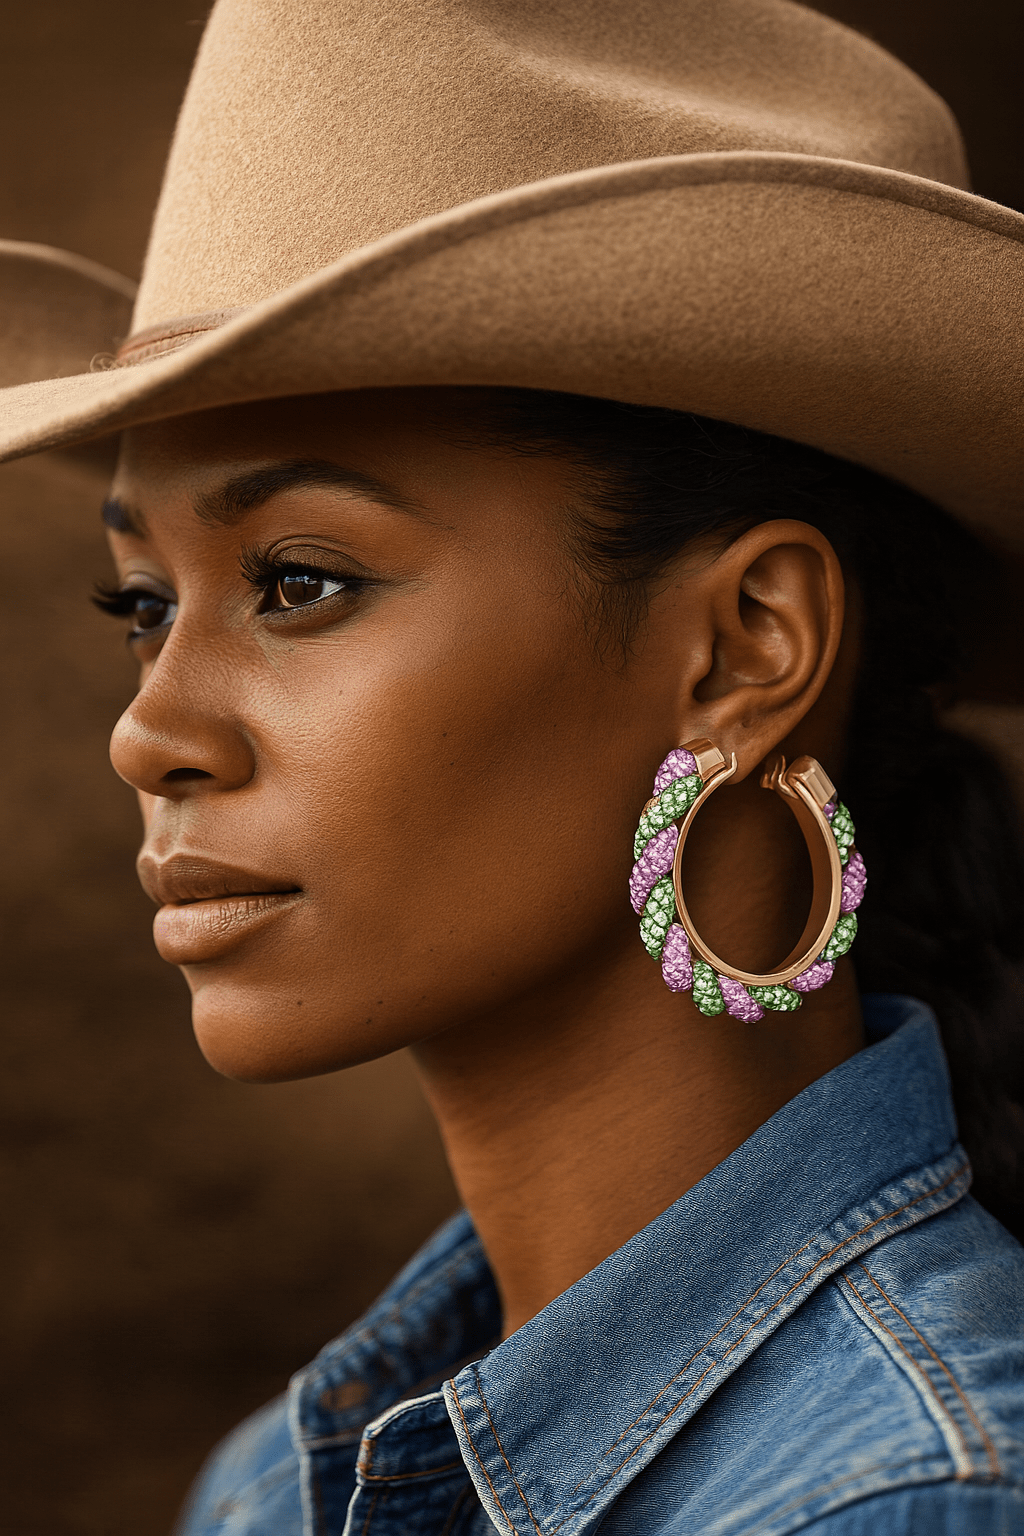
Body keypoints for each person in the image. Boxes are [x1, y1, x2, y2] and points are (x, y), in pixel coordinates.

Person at [2, 1, 1022, 1531]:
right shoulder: (275, 1494)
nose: (150, 731)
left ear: (749, 647)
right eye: (143, 607)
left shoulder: (912, 1498)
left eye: (297, 580)